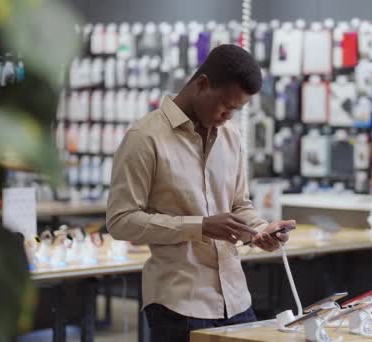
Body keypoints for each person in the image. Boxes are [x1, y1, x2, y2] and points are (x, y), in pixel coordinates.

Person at [106, 44, 296, 342]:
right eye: (226, 106)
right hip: (178, 302)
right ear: (202, 84)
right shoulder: (144, 138)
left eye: (237, 110)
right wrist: (201, 226)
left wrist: (260, 231)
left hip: (236, 297)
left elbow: (238, 204)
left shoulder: (231, 137)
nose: (229, 116)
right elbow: (121, 220)